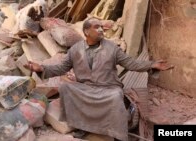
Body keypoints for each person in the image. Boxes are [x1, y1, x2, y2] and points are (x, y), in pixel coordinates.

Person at [24, 17, 174, 141]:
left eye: (102, 27)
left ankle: (117, 134)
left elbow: (132, 63)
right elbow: (61, 68)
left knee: (116, 96)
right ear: (86, 31)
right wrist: (42, 68)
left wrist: (152, 65)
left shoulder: (112, 48)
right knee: (66, 88)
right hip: (86, 88)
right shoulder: (75, 50)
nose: (101, 29)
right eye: (97, 27)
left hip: (108, 88)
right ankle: (82, 127)